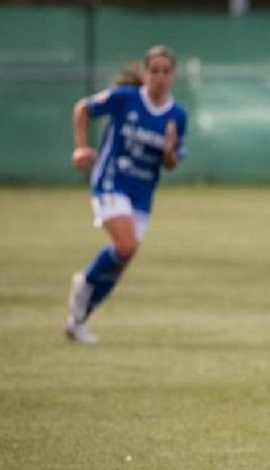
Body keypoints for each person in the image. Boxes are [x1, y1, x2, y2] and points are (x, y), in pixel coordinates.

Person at [66, 45, 188, 344]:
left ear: (173, 76)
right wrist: (81, 147)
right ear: (145, 73)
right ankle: (83, 284)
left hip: (141, 195)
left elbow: (171, 163)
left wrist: (170, 152)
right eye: (154, 70)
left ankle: (78, 319)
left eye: (165, 71)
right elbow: (83, 108)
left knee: (124, 257)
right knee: (126, 243)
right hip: (110, 181)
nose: (159, 77)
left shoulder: (177, 115)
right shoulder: (126, 99)